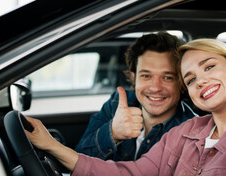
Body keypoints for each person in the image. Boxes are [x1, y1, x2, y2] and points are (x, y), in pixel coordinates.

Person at [26, 39, 226, 176]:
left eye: (209, 67)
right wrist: (51, 145)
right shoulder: (188, 131)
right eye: (190, 79)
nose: (200, 81)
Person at [74, 32, 197, 161]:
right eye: (146, 76)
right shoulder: (116, 104)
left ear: (181, 81)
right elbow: (76, 162)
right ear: (134, 78)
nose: (155, 88)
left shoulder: (193, 131)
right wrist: (113, 133)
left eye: (167, 77)